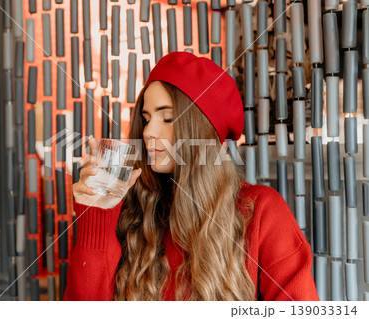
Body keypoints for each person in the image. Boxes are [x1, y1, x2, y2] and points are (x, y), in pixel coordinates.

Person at [63, 52, 319, 301]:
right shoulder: (130, 212)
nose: (149, 131)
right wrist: (95, 219)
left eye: (168, 118)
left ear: (202, 129)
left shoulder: (261, 212)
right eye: (146, 117)